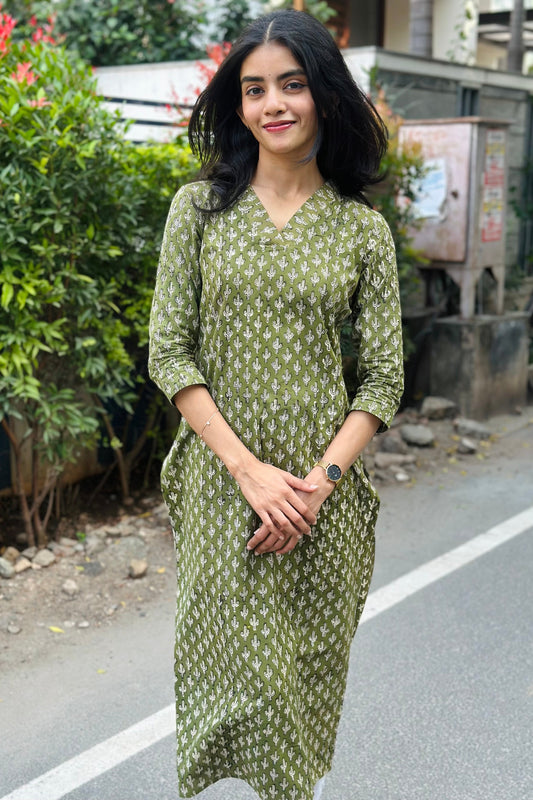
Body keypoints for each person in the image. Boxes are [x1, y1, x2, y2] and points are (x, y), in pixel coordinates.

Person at [148, 8, 403, 800]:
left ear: (323, 93)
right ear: (239, 105)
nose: (273, 104)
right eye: (254, 89)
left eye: (291, 84)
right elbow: (169, 351)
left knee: (301, 680)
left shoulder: (361, 230)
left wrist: (317, 485)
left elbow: (383, 378)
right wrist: (247, 472)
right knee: (236, 680)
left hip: (321, 501)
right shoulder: (198, 210)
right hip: (223, 490)